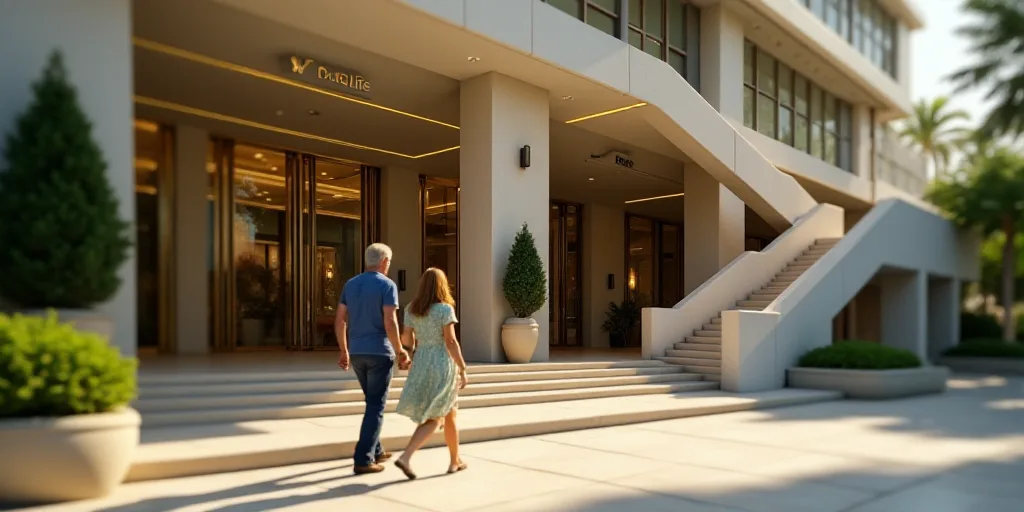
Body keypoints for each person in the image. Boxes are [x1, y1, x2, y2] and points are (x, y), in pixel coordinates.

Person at [336, 243, 411, 475]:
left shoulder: (350, 284)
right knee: (376, 406)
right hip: (379, 351)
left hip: (357, 352)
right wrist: (400, 350)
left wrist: (344, 350)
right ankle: (363, 458)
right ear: (385, 262)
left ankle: (376, 450)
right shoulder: (387, 285)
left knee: (372, 402)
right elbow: (390, 321)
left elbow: (340, 320)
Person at [392, 267, 469, 480]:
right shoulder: (445, 310)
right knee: (436, 417)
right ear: (442, 285)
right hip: (442, 363)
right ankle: (406, 456)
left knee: (450, 413)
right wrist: (462, 367)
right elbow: (451, 341)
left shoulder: (411, 309)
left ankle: (455, 461)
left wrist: (406, 354)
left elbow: (407, 340)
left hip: (421, 362)